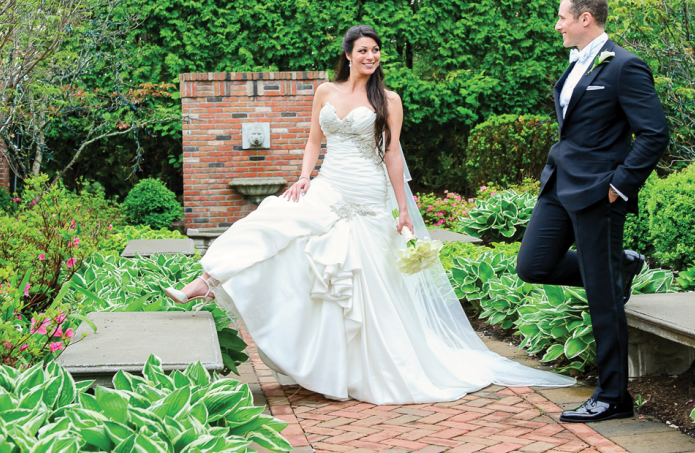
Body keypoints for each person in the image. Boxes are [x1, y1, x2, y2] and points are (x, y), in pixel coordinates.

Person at [165, 25, 574, 404]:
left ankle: (356, 369)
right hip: (327, 184)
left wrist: (402, 208)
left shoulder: (388, 100)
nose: (371, 56)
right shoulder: (325, 91)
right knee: (273, 221)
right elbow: (313, 141)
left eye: (375, 51)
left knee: (357, 278)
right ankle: (208, 279)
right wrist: (304, 176)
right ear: (347, 54)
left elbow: (392, 153)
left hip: (366, 192)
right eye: (363, 50)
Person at [516, 0, 669, 423]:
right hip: (559, 185)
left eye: (562, 17)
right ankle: (619, 264)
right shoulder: (575, 64)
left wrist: (619, 185)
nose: (557, 25)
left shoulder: (625, 66)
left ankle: (614, 395)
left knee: (603, 296)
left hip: (599, 192)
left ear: (586, 18)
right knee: (533, 265)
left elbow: (654, 133)